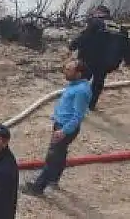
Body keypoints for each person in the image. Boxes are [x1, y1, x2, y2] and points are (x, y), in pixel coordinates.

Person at [21, 59, 92, 197]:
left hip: (64, 128)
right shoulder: (76, 85)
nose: (64, 71)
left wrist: (63, 131)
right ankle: (53, 180)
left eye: (69, 70)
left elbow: (78, 116)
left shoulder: (81, 91)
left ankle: (37, 188)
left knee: (52, 158)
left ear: (78, 74)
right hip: (62, 126)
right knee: (60, 155)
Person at [69, 4, 130, 110]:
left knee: (82, 80)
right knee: (98, 82)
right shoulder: (121, 28)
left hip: (90, 59)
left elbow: (84, 37)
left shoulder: (95, 23)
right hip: (108, 62)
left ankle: (77, 103)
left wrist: (72, 46)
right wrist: (129, 61)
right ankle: (91, 104)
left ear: (98, 13)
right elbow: (127, 47)